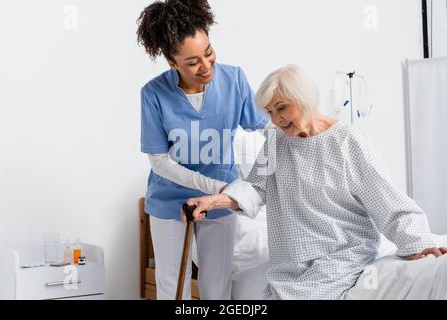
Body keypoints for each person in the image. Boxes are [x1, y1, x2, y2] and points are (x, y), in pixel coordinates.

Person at [184, 64, 447, 299]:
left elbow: (387, 199)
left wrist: (419, 244)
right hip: (291, 264)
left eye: (282, 108)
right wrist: (214, 200)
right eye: (270, 112)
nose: (275, 119)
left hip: (345, 254)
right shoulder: (275, 142)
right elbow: (254, 188)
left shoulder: (347, 142)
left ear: (304, 99)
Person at [137, 0, 267, 300]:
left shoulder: (234, 80)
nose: (206, 66)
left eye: (208, 53)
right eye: (192, 62)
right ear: (172, 62)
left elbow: (265, 127)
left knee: (216, 285)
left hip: (221, 201)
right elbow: (159, 161)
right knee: (173, 287)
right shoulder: (153, 94)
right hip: (170, 199)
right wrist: (218, 186)